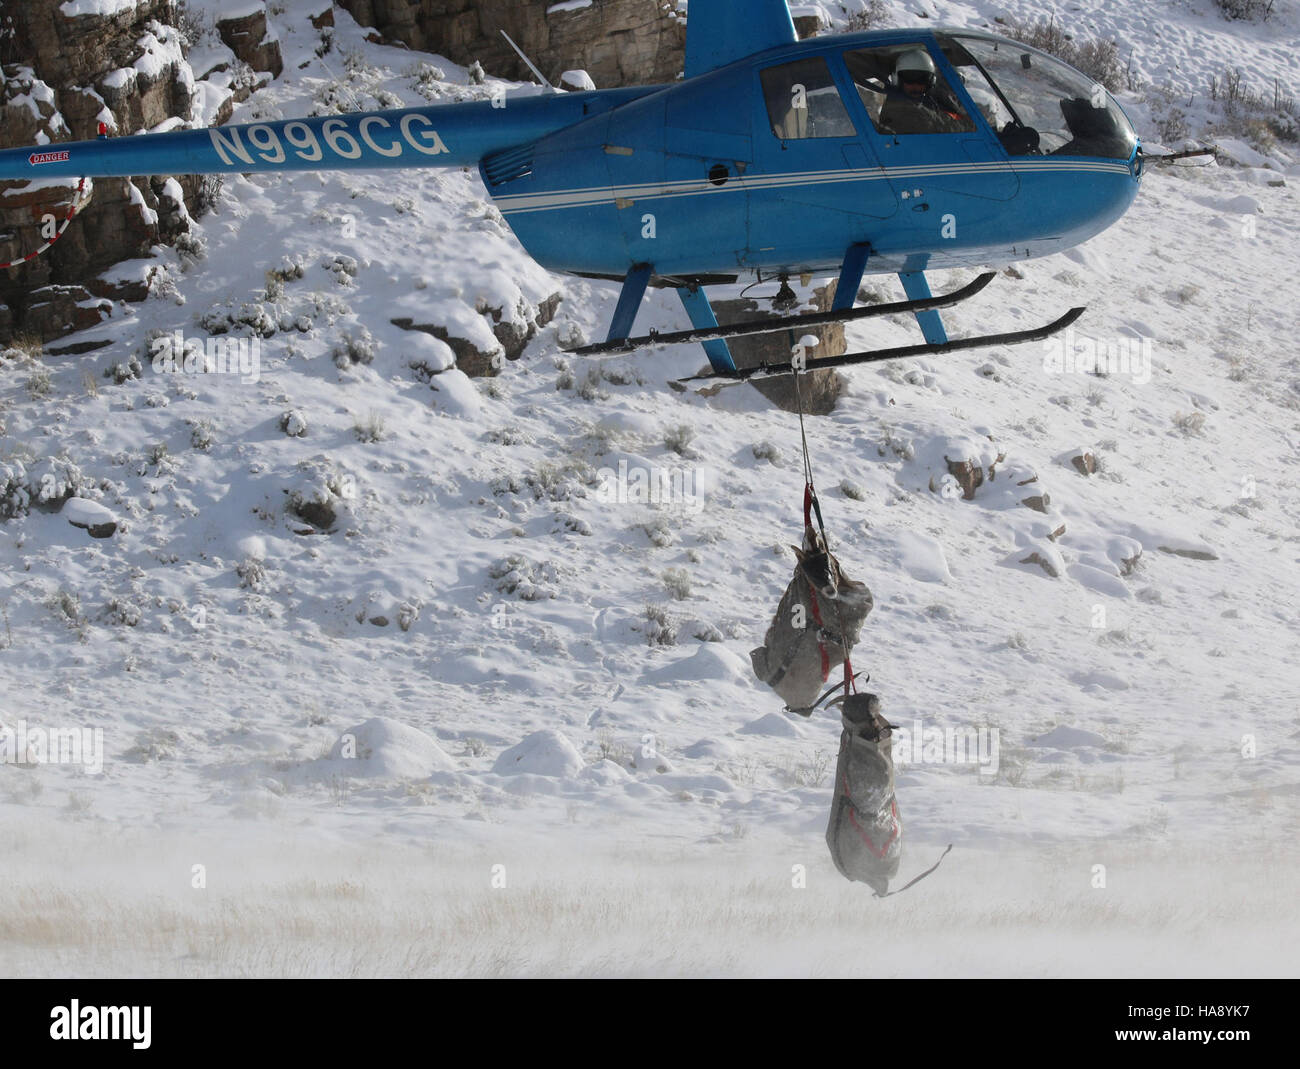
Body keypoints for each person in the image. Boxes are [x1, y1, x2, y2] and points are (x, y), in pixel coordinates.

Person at [878, 49, 973, 135]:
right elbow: (941, 125)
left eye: (923, 79)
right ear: (897, 80)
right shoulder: (901, 107)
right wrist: (970, 123)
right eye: (909, 78)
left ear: (931, 82)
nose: (916, 85)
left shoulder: (926, 100)